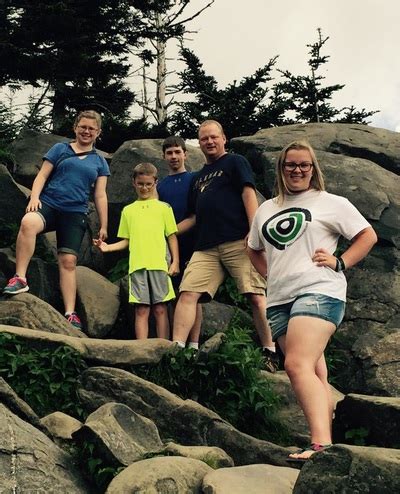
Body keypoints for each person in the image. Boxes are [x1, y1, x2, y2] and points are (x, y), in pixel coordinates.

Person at [247, 140, 377, 461]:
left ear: (313, 168)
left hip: (319, 290)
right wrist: (271, 274)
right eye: (291, 164)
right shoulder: (267, 208)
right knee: (315, 373)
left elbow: (367, 235)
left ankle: (320, 445)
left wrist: (340, 262)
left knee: (296, 364)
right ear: (281, 168)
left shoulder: (331, 202)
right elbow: (252, 247)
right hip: (279, 300)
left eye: (304, 164)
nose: (297, 170)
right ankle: (327, 441)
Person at [172, 120, 277, 370]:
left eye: (213, 137)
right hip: (206, 246)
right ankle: (175, 352)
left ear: (223, 138)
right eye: (204, 138)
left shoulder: (235, 162)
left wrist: (254, 232)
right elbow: (193, 217)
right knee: (188, 294)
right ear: (199, 143)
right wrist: (165, 231)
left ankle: (271, 351)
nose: (209, 141)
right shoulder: (198, 178)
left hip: (238, 240)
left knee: (255, 295)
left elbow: (248, 193)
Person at [3, 110, 110, 330]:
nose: (86, 131)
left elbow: (100, 195)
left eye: (91, 128)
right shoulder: (60, 149)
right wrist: (34, 197)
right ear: (75, 127)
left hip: (75, 213)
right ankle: (20, 278)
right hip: (50, 203)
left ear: (98, 132)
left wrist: (104, 225)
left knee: (68, 261)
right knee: (28, 222)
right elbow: (42, 175)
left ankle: (70, 313)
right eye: (83, 127)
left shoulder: (100, 162)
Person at [94, 162, 179, 339]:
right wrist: (107, 247)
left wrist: (175, 262)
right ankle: (141, 349)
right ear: (133, 182)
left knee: (161, 309)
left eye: (148, 184)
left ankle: (164, 349)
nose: (144, 188)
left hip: (159, 265)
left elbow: (171, 236)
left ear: (155, 183)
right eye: (140, 184)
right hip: (137, 267)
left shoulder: (164, 208)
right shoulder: (128, 211)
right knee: (141, 310)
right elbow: (126, 241)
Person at [157, 136, 202, 350]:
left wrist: (170, 232)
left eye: (177, 152)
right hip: (167, 248)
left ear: (186, 154)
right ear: (163, 156)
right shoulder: (160, 186)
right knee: (172, 295)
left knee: (192, 294)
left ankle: (193, 345)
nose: (174, 156)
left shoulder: (195, 180)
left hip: (192, 243)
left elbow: (196, 216)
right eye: (169, 153)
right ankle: (175, 344)